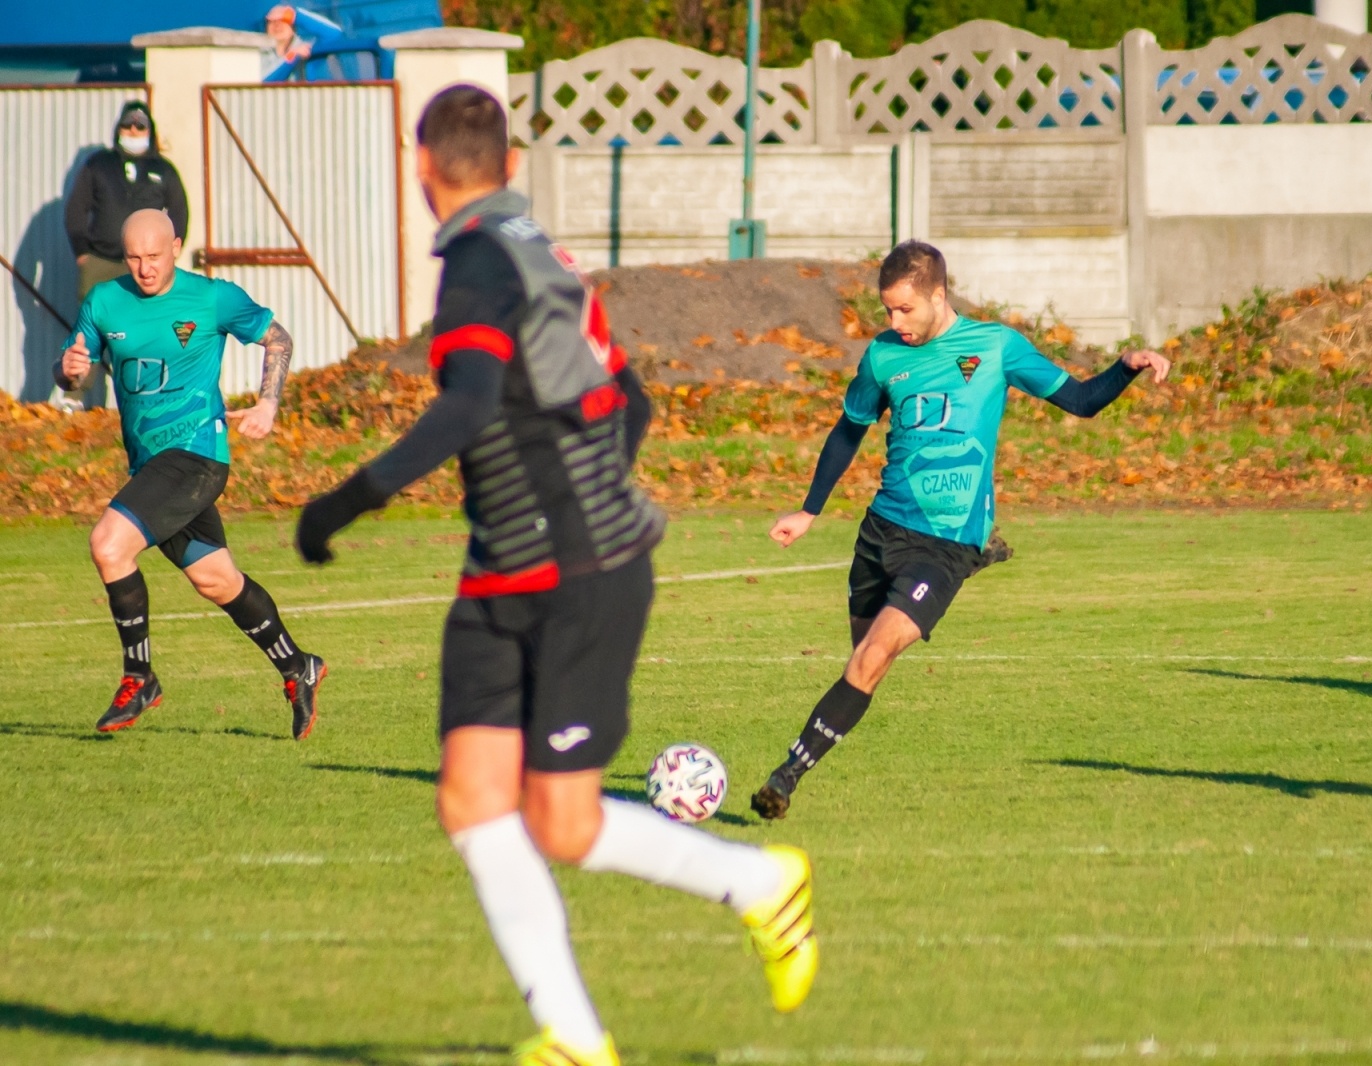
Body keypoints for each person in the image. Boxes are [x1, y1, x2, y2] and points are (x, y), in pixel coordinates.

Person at [293, 85, 817, 1066]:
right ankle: (574, 1039)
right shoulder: (539, 250)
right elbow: (635, 404)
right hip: (511, 569)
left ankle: (760, 885)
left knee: (561, 820)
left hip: (573, 574)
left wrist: (343, 502)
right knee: (472, 798)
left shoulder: (480, 266)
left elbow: (465, 407)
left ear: (419, 167)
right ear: (511, 163)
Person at [751, 240, 1172, 820]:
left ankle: (786, 775)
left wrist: (1125, 368)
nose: (896, 323)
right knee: (863, 658)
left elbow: (1079, 400)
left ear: (938, 296)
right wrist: (809, 509)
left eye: (906, 310)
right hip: (880, 532)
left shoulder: (995, 347)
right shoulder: (882, 357)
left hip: (943, 545)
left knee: (872, 657)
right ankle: (979, 555)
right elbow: (849, 430)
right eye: (888, 312)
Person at [54, 209, 326, 738]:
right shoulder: (105, 302)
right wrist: (69, 372)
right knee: (216, 579)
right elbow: (73, 374)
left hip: (198, 455)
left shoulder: (212, 297)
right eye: (133, 257)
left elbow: (279, 339)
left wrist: (269, 404)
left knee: (109, 544)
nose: (144, 268)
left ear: (176, 246)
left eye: (153, 256)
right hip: (151, 465)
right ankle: (299, 667)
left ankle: (140, 677)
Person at [64, 101, 189, 301]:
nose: (133, 130)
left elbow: (179, 212)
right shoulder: (99, 164)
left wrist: (170, 252)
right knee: (95, 325)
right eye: (127, 124)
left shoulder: (164, 169)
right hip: (102, 261)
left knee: (145, 322)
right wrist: (82, 252)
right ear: (118, 128)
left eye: (140, 126)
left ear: (149, 131)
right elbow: (76, 208)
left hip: (146, 267)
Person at [263, 5, 388, 82]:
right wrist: (290, 58)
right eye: (271, 21)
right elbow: (260, 84)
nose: (277, 25)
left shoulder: (305, 51)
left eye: (283, 20)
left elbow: (334, 34)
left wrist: (296, 15)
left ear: (294, 27)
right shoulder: (257, 55)